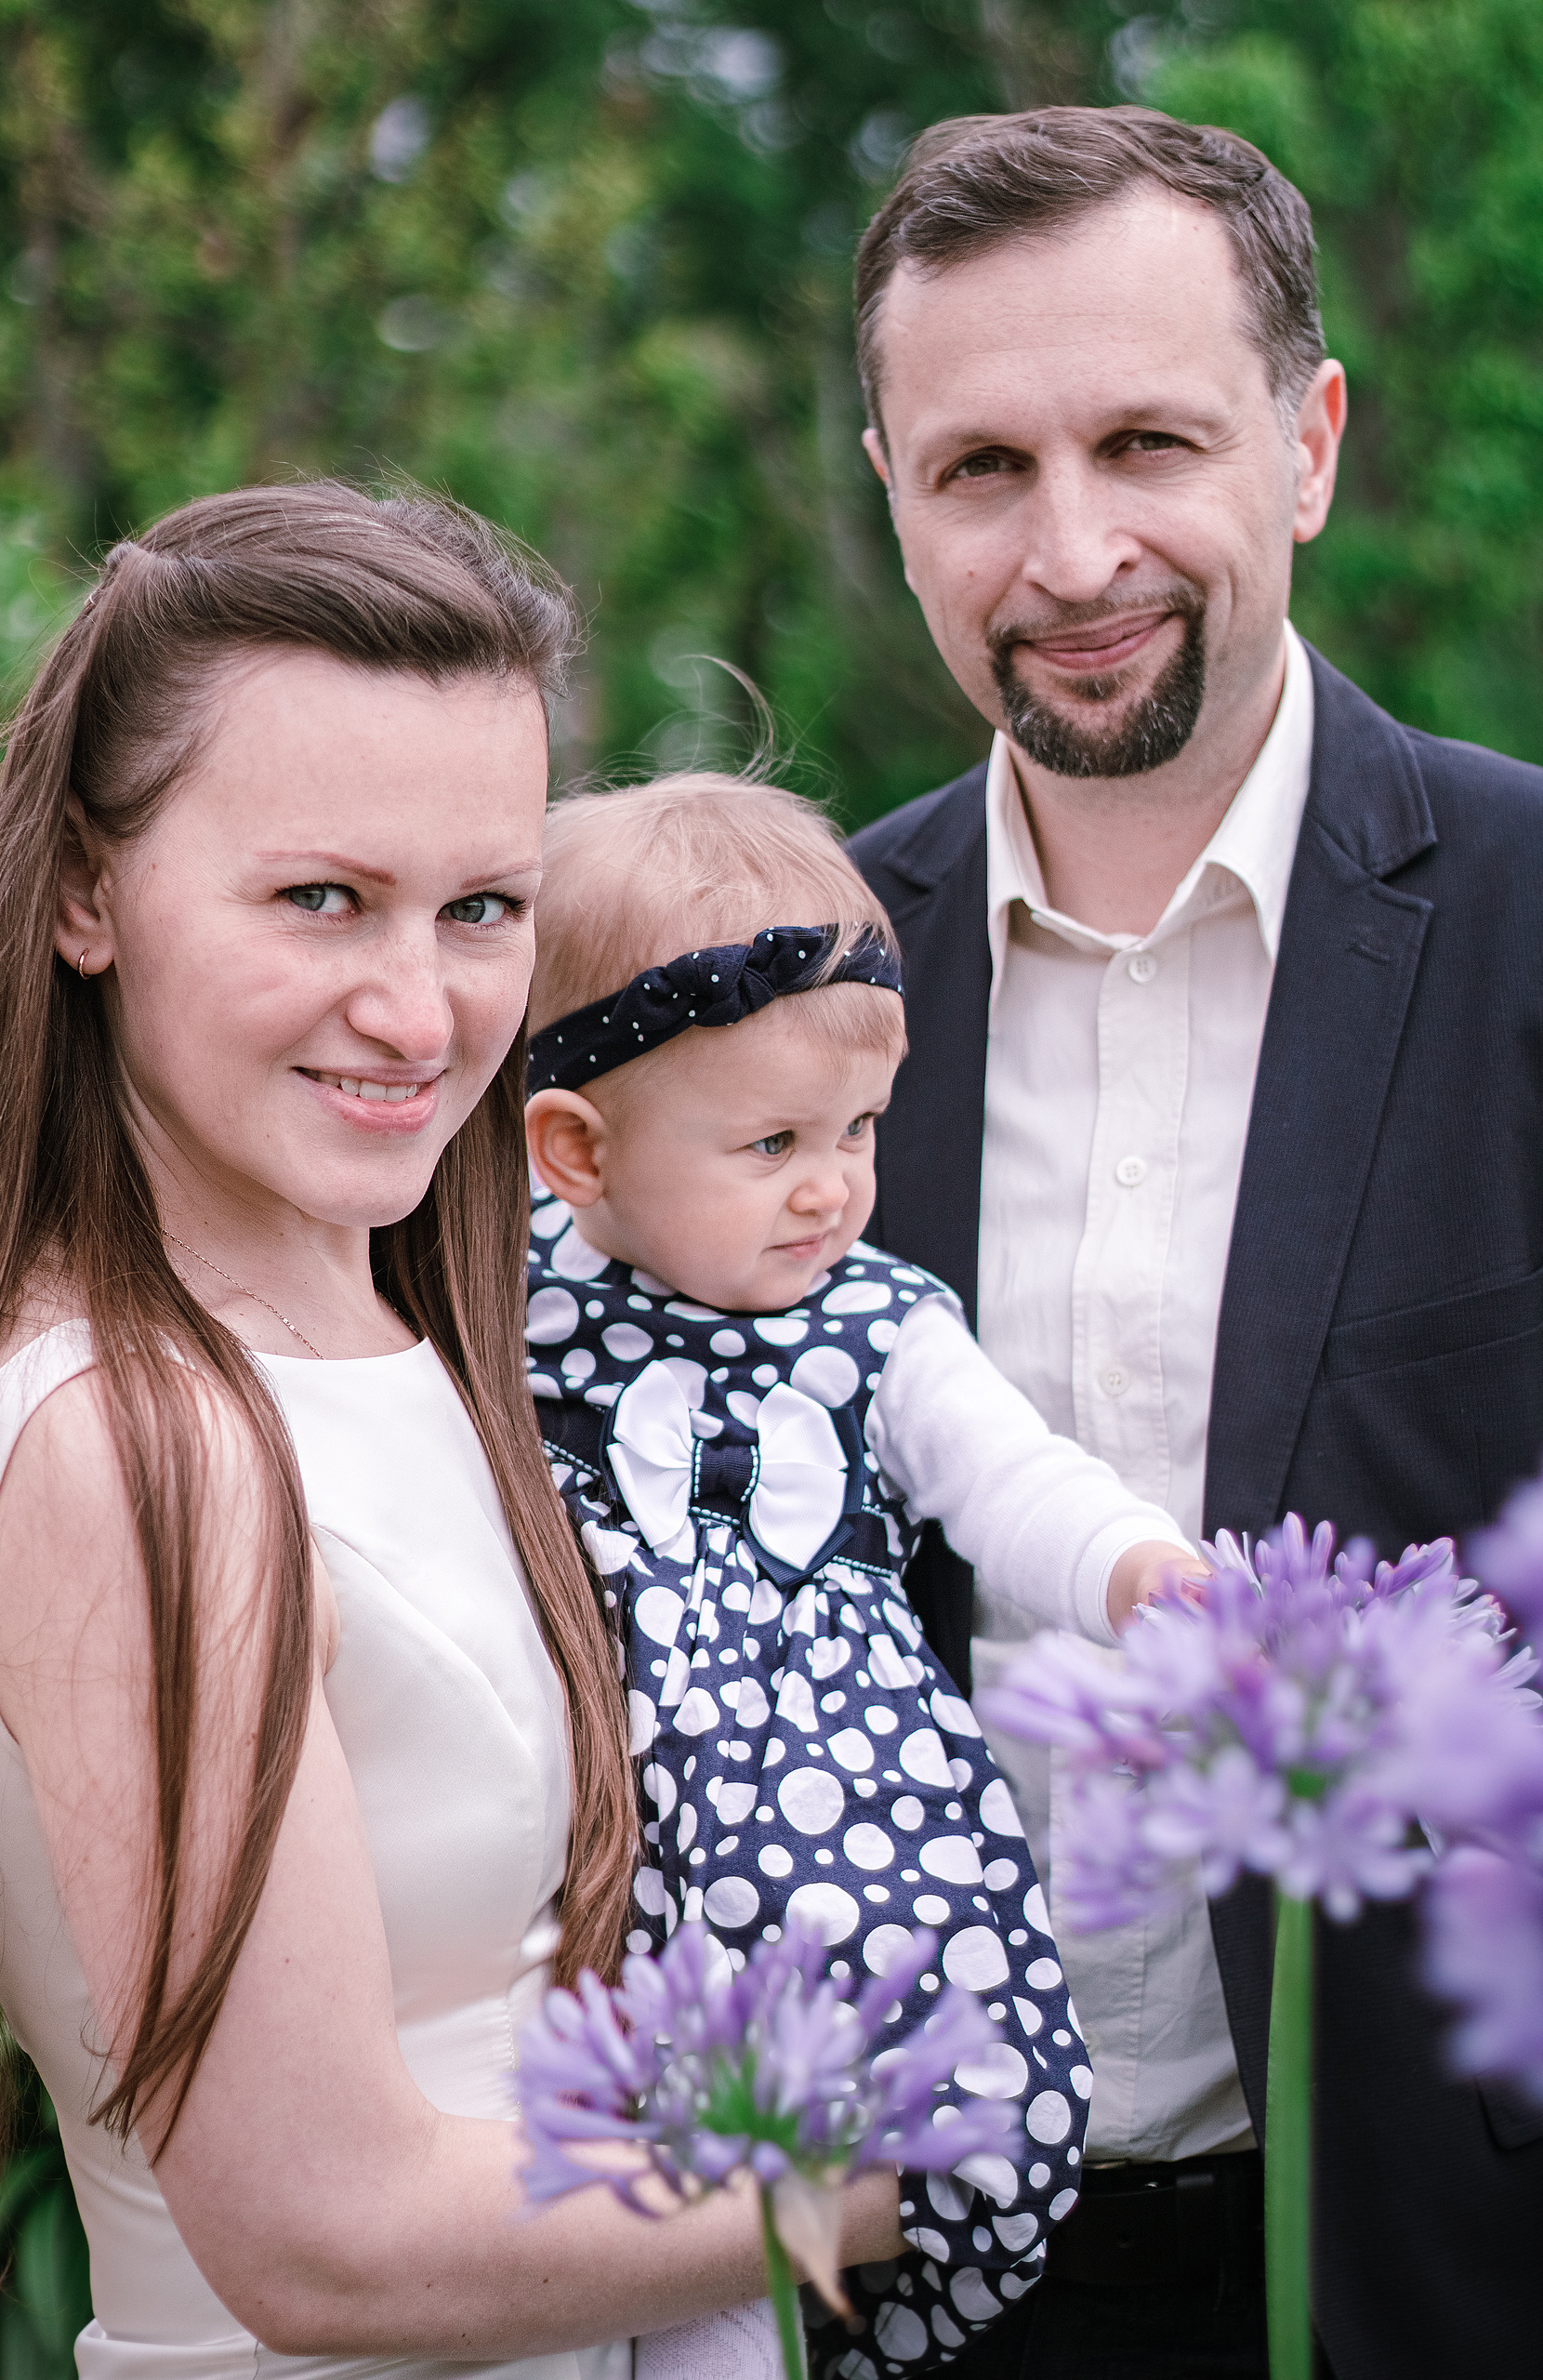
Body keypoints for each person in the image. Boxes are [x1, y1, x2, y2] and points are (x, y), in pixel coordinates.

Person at [0, 483, 908, 2379]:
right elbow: (330, 2241)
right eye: (320, 897)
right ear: (84, 891)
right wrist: (869, 2170)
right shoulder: (124, 1436)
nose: (417, 1006)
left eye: (481, 907)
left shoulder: (427, 1330)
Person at [846, 103, 1543, 2380]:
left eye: (1146, 441)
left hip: (1432, 2255)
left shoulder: (1529, 913)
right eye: (978, 469)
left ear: (1310, 443)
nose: (1070, 554)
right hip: (896, 2259)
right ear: (890, 488)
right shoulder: (789, 972)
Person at [518, 770, 1202, 2379]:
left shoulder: (878, 1323)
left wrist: (1134, 1572)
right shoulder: (499, 1314)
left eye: (859, 1131)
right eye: (772, 1142)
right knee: (595, 2261)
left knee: (743, 2281)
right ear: (576, 1151)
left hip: (841, 1864)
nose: (833, 1185)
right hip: (599, 1881)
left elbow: (1010, 1476)